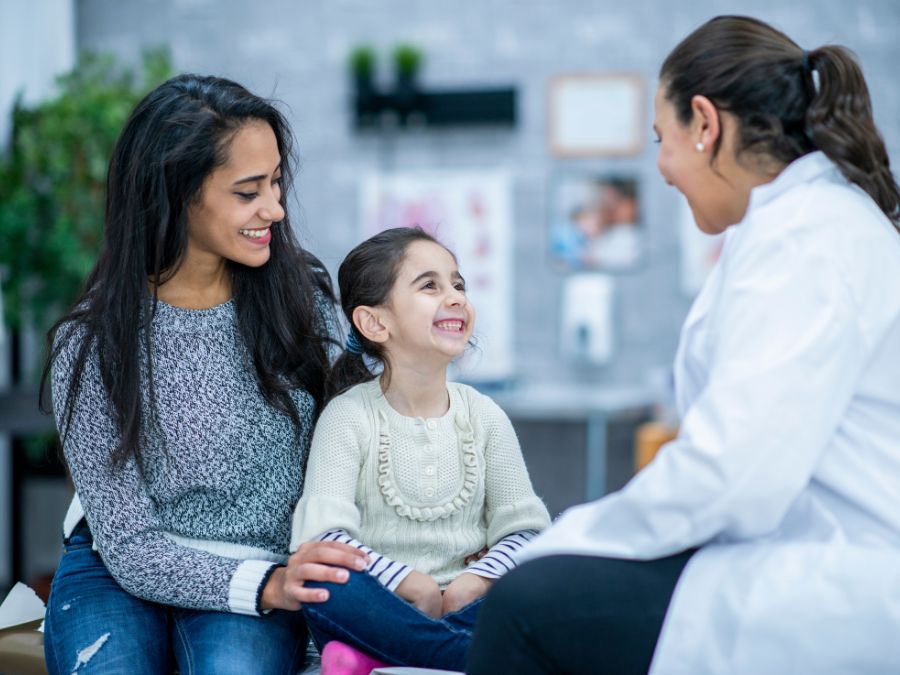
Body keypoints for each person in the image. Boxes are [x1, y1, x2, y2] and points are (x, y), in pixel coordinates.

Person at [468, 15, 900, 675]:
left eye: (659, 139)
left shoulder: (806, 239)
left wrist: (563, 542)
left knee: (524, 604)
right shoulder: (805, 226)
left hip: (843, 577)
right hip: (812, 553)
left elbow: (734, 474)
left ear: (705, 123)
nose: (662, 167)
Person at [40, 74, 367, 674]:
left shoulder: (305, 302)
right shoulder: (91, 345)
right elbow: (131, 546)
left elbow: (369, 429)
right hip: (119, 566)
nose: (275, 209)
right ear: (177, 194)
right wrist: (271, 587)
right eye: (248, 192)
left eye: (275, 183)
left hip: (260, 557)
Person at [289, 226, 551, 674]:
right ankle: (478, 658)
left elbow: (524, 532)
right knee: (323, 578)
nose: (454, 297)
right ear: (375, 322)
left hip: (469, 607)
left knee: (558, 555)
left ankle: (382, 656)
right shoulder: (349, 416)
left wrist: (475, 581)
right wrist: (409, 583)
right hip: (376, 609)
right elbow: (323, 539)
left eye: (458, 284)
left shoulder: (484, 416)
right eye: (430, 285)